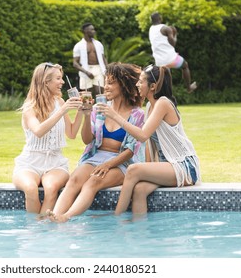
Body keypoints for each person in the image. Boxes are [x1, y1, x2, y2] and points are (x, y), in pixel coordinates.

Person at [47, 62, 145, 223]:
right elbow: (87, 140)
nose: (106, 86)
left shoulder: (137, 114)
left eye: (111, 83)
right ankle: (55, 215)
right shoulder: (99, 109)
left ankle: (66, 217)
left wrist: (108, 165)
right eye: (106, 82)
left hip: (121, 163)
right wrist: (86, 116)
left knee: (93, 181)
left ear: (124, 85)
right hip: (95, 157)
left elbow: (131, 150)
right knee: (74, 179)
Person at [97, 64, 200, 215]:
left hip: (183, 165)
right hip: (166, 165)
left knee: (133, 170)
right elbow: (148, 143)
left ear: (152, 86)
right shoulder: (150, 107)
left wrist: (114, 116)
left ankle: (117, 218)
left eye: (141, 81)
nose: (137, 85)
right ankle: (139, 232)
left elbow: (143, 135)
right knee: (139, 190)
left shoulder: (163, 103)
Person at [13, 63, 83, 216]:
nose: (62, 82)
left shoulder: (59, 102)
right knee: (31, 189)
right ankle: (34, 229)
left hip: (55, 162)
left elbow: (71, 133)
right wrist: (63, 110)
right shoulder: (29, 107)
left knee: (51, 188)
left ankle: (41, 228)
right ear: (46, 81)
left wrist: (81, 112)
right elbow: (38, 131)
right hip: (29, 162)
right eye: (58, 78)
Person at [149, 12, 197, 93]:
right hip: (172, 59)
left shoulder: (151, 29)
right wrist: (175, 34)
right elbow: (173, 43)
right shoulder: (166, 28)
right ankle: (189, 88)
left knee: (165, 81)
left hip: (159, 62)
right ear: (160, 18)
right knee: (185, 65)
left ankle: (162, 95)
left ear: (152, 20)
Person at [73, 22, 108, 97]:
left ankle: (101, 107)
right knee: (86, 94)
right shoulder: (78, 46)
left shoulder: (98, 44)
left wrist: (107, 69)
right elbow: (75, 63)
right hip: (85, 69)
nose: (94, 31)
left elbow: (103, 58)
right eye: (92, 29)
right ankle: (87, 108)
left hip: (98, 68)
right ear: (85, 31)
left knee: (100, 91)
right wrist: (86, 72)